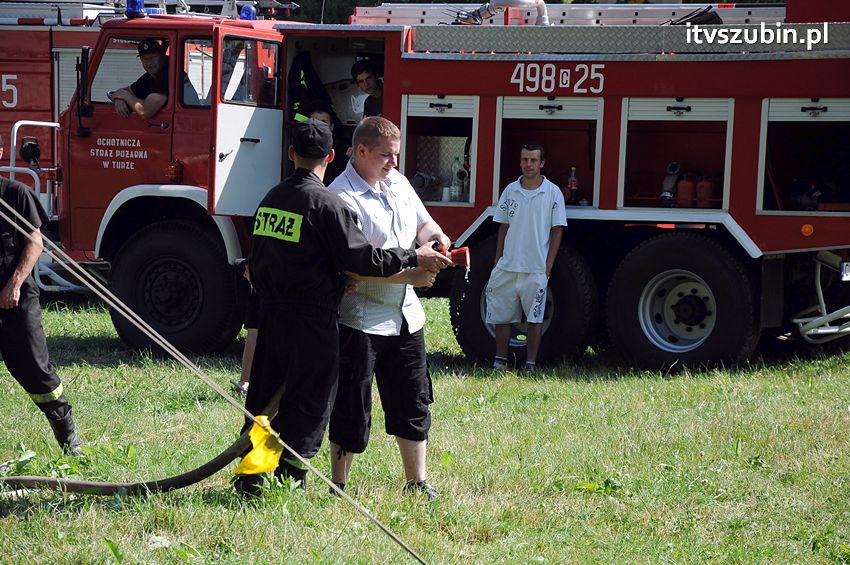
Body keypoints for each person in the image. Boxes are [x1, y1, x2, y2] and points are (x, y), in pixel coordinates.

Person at [234, 120, 450, 495]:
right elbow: (361, 259)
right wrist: (411, 258)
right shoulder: (328, 202)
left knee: (266, 399)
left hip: (272, 316)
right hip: (313, 319)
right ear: (333, 156)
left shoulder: (270, 199)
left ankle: (252, 478)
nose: (392, 162)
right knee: (308, 402)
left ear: (290, 154)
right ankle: (290, 481)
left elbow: (256, 260)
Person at [327, 116, 451, 501]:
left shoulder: (397, 181)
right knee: (352, 405)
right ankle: (340, 486)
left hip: (406, 318)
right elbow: (353, 267)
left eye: (396, 155)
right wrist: (412, 275)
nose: (393, 164)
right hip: (361, 318)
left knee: (413, 399)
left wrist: (438, 239)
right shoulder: (340, 196)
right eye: (385, 156)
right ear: (360, 151)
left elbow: (423, 223)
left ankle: (417, 482)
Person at [0, 134, 83, 453]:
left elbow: (35, 243)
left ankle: (69, 440)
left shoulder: (15, 194)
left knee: (35, 369)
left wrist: (14, 283)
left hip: (15, 297)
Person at [486, 143, 566, 371]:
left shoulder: (552, 193)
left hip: (536, 268)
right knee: (502, 316)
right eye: (525, 160)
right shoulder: (510, 190)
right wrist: (497, 258)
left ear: (542, 163)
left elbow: (557, 230)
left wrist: (548, 266)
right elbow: (503, 226)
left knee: (535, 318)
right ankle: (499, 361)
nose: (528, 165)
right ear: (520, 162)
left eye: (533, 160)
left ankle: (530, 363)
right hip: (508, 266)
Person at [111, 38, 169, 120]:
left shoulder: (167, 74)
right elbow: (128, 91)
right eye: (144, 58)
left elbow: (145, 111)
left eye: (152, 57)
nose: (149, 63)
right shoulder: (151, 76)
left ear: (162, 56)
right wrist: (118, 99)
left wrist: (123, 95)